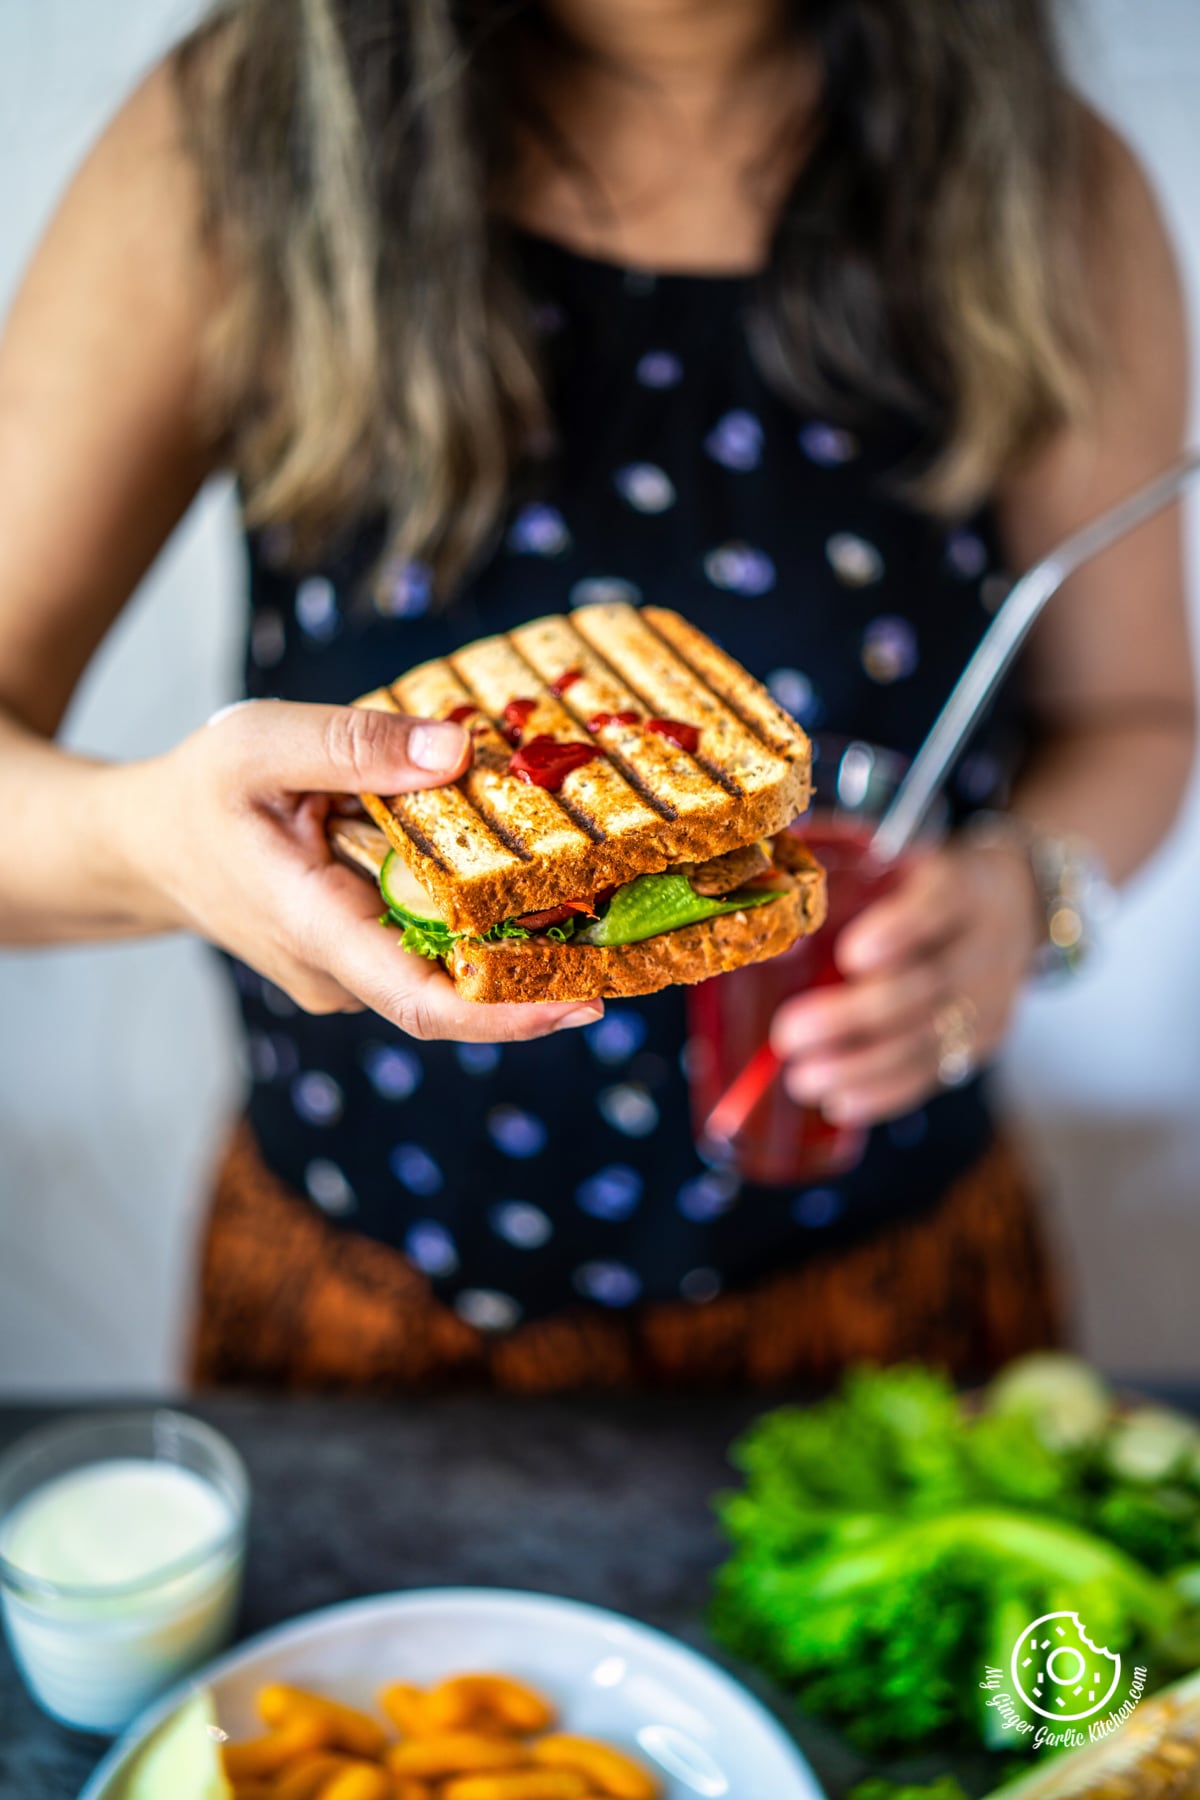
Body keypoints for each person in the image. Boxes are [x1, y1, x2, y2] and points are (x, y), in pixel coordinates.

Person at [0, 0, 1192, 1391]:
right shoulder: (233, 142)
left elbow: (1136, 719)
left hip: (891, 1306)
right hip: (368, 1327)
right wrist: (157, 849)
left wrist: (1027, 890)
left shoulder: (1042, 182)